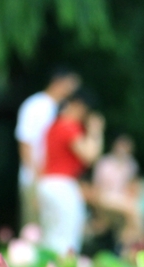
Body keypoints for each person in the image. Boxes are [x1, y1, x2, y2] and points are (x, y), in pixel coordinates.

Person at [36, 89, 104, 256]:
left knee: (51, 234)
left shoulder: (54, 125)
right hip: (62, 184)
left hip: (47, 183)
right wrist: (96, 130)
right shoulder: (68, 126)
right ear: (80, 107)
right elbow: (90, 155)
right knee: (67, 236)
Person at [14, 68, 81, 226]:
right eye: (71, 86)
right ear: (58, 82)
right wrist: (36, 177)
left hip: (52, 181)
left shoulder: (60, 110)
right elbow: (25, 143)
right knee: (33, 229)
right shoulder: (35, 105)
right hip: (34, 179)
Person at [91, 134, 143, 251]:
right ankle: (140, 240)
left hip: (122, 201)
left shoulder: (131, 165)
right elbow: (97, 187)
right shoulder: (104, 163)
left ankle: (125, 246)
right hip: (106, 198)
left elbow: (133, 187)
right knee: (133, 209)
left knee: (127, 221)